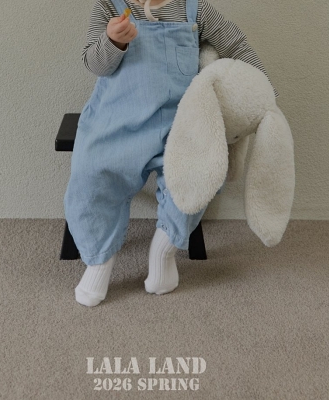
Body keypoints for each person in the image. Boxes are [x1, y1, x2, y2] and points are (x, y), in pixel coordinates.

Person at [64, 0, 278, 307]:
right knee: (92, 176)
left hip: (180, 122)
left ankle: (164, 249)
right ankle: (99, 260)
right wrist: (113, 41)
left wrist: (265, 93)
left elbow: (236, 45)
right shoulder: (109, 6)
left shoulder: (195, 9)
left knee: (197, 174)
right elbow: (95, 64)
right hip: (117, 121)